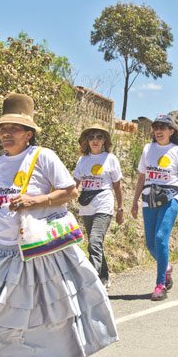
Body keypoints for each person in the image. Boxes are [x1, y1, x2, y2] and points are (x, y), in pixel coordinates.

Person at [0, 93, 118, 357]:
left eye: (13, 129)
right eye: (2, 129)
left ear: (28, 133)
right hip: (0, 248)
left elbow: (70, 191)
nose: (6, 134)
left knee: (49, 306)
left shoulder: (43, 157)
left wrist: (36, 200)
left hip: (37, 248)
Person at [131, 114, 178, 301]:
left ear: (171, 131)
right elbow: (142, 177)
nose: (158, 131)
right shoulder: (147, 149)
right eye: (156, 127)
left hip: (170, 197)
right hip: (149, 197)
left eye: (163, 127)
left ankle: (160, 285)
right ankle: (166, 267)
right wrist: (134, 202)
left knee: (160, 238)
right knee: (150, 244)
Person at [73, 123, 124, 289]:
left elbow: (117, 186)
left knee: (95, 241)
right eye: (91, 137)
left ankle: (93, 284)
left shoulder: (111, 159)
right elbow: (75, 184)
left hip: (104, 203)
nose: (95, 140)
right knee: (95, 243)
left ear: (104, 141)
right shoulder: (82, 160)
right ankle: (104, 276)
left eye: (99, 137)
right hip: (87, 205)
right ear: (86, 141)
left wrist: (120, 209)